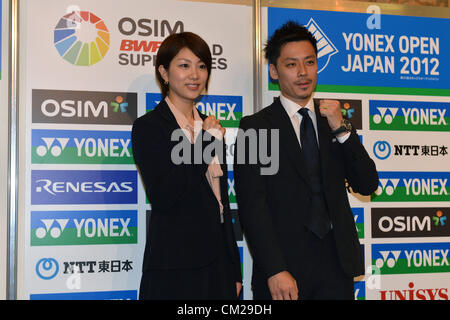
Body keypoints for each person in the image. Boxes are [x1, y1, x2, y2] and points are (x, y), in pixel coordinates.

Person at [234, 21, 379, 300]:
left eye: (309, 62)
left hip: (336, 266)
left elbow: (367, 183)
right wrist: (275, 269)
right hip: (284, 270)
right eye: (291, 65)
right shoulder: (256, 127)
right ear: (274, 71)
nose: (303, 73)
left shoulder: (334, 121)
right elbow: (253, 206)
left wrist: (341, 129)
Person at [132, 32, 242, 300]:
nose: (195, 74)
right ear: (164, 72)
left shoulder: (209, 125)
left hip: (218, 268)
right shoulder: (149, 127)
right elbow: (164, 194)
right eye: (184, 65)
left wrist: (234, 269)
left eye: (202, 66)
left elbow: (221, 202)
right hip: (175, 267)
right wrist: (205, 144)